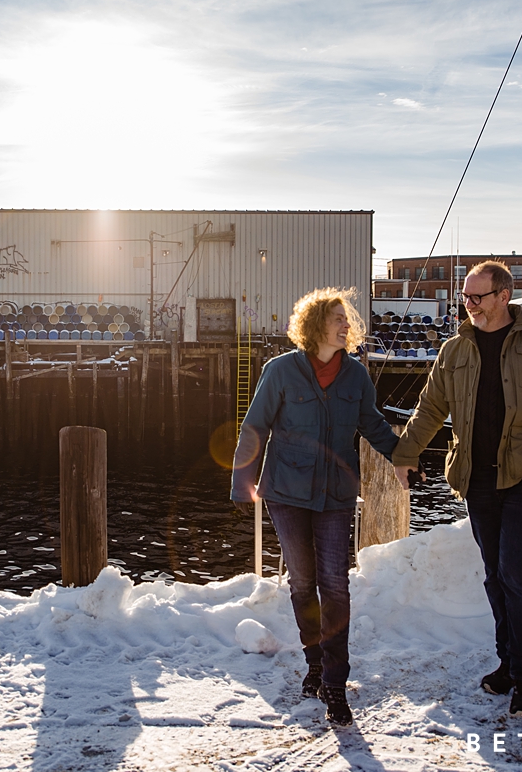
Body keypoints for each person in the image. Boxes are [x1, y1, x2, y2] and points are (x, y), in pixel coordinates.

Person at [393, 260, 522, 719]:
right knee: (495, 576)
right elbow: (429, 409)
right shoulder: (454, 350)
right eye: (465, 297)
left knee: (519, 577)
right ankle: (507, 662)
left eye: (477, 297)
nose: (469, 305)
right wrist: (405, 454)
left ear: (504, 296)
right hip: (477, 479)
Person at [230, 287, 400, 727]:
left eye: (348, 320)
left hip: (335, 496)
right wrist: (242, 482)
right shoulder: (281, 371)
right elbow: (255, 427)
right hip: (286, 493)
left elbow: (373, 424)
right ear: (315, 325)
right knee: (302, 583)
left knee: (335, 584)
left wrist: (405, 456)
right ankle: (313, 662)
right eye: (338, 319)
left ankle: (335, 683)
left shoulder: (356, 376)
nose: (347, 326)